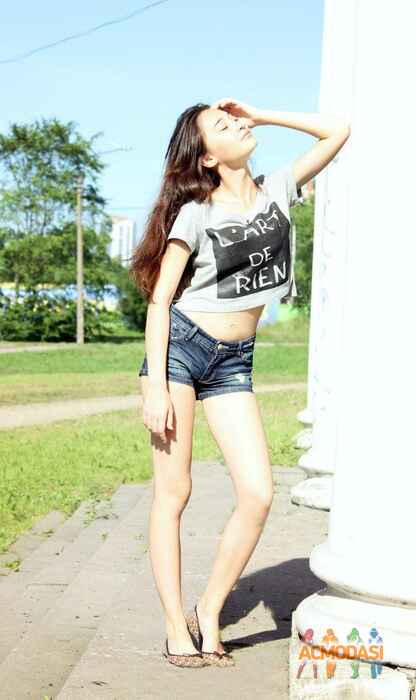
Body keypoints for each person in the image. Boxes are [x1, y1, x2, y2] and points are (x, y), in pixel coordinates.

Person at [130, 98, 350, 668]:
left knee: (257, 492)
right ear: (206, 157)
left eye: (235, 119)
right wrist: (155, 385)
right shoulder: (195, 213)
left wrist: (265, 114)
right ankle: (176, 626)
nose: (237, 125)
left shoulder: (278, 188)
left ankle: (208, 609)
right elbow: (160, 300)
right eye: (222, 125)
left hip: (234, 361)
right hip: (181, 350)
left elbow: (337, 131)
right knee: (174, 492)